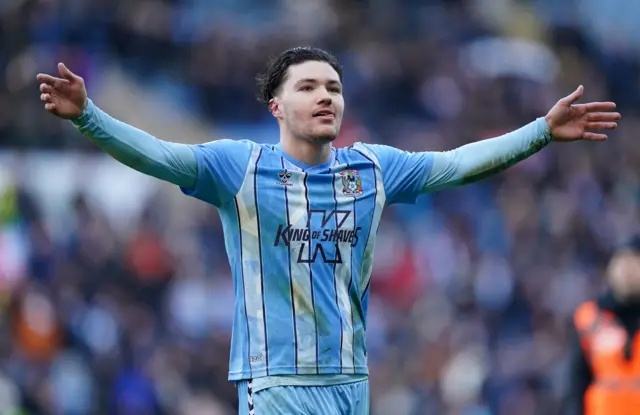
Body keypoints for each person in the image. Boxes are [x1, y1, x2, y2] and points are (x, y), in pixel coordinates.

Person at [37, 47, 620, 415]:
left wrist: (540, 131)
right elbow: (158, 156)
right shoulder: (238, 168)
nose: (325, 97)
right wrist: (89, 116)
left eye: (334, 88)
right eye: (308, 87)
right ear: (276, 106)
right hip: (277, 382)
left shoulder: (373, 168)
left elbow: (461, 163)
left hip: (352, 381)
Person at [563, 235, 640, 415]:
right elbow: (577, 383)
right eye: (621, 262)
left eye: (635, 262)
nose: (627, 270)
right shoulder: (590, 319)